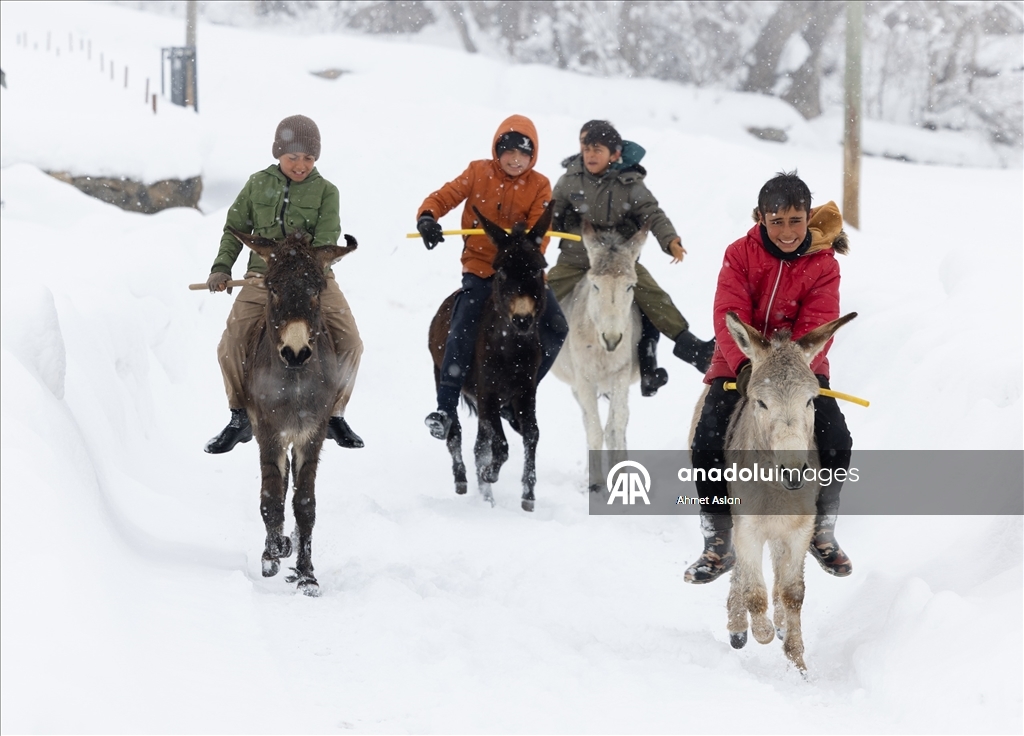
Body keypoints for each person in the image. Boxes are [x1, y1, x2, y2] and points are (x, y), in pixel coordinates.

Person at [685, 171, 853, 584]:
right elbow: (729, 311)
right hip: (737, 362)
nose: (787, 231)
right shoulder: (739, 254)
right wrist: (746, 367)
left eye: (796, 221)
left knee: (837, 441)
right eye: (776, 222)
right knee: (707, 441)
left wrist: (789, 368)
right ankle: (719, 540)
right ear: (761, 218)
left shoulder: (824, 264)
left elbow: (820, 321)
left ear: (807, 217)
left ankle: (820, 531)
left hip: (802, 368)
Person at [204, 115, 364, 453]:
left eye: (309, 158)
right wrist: (221, 267)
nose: (301, 165)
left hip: (312, 280)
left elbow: (325, 241)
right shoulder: (256, 184)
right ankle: (239, 416)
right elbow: (234, 228)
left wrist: (301, 269)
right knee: (230, 344)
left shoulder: (327, 192)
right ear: (279, 153)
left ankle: (334, 414)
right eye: (293, 157)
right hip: (262, 279)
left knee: (351, 342)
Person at [415, 114, 568, 440]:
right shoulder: (477, 172)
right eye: (508, 151)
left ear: (533, 155)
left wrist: (520, 252)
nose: (515, 159)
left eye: (524, 153)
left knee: (557, 327)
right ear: (497, 151)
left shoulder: (539, 185)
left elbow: (541, 234)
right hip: (482, 270)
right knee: (461, 325)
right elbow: (444, 197)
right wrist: (428, 217)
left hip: (523, 276)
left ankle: (518, 398)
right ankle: (445, 407)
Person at [548, 120, 714, 397]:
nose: (590, 155)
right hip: (576, 258)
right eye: (586, 148)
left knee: (652, 294)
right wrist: (547, 225)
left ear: (614, 154)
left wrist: (669, 239)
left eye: (597, 150)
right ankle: (509, 347)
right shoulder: (569, 180)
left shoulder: (629, 183)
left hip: (618, 260)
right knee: (539, 295)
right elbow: (549, 214)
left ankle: (690, 346)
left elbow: (653, 213)